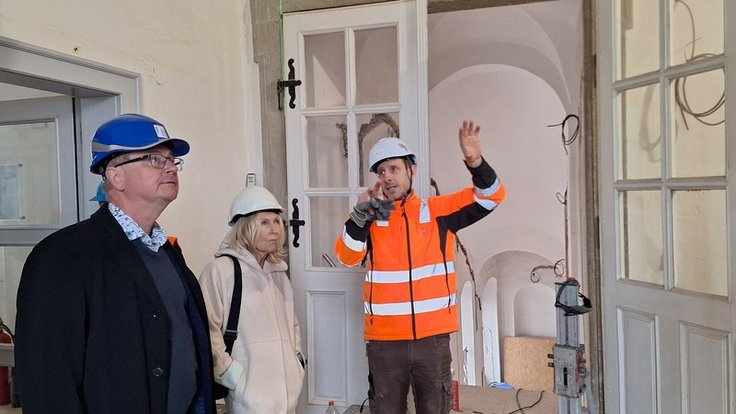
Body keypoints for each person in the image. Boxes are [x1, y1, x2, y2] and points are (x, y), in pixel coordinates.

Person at [15, 113, 216, 414]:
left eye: (173, 160)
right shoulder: (62, 256)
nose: (171, 167)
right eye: (155, 159)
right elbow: (46, 379)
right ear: (115, 176)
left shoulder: (167, 251)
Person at [334, 120, 506, 414]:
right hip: (385, 343)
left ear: (411, 170)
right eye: (381, 171)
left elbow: (492, 195)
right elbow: (346, 256)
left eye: (394, 168)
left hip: (432, 340)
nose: (387, 177)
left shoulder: (436, 211)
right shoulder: (372, 216)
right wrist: (361, 215)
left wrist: (475, 162)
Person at [199, 185, 304, 414]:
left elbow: (293, 325)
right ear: (245, 227)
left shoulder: (278, 273)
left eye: (276, 222)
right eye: (264, 223)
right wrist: (229, 374)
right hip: (248, 398)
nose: (274, 230)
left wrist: (297, 361)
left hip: (287, 397)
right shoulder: (220, 271)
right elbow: (207, 329)